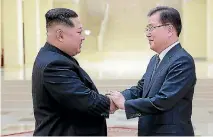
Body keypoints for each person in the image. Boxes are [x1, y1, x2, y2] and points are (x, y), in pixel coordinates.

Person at [109, 6, 197, 136]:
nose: (147, 33)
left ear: (169, 30)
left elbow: (163, 101)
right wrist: (117, 98)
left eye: (152, 28)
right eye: (147, 29)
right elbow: (141, 88)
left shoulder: (182, 60)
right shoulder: (155, 59)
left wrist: (125, 104)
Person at [32, 8, 116, 136]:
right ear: (60, 35)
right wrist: (115, 102)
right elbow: (86, 101)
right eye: (79, 32)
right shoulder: (54, 65)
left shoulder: (54, 56)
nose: (82, 38)